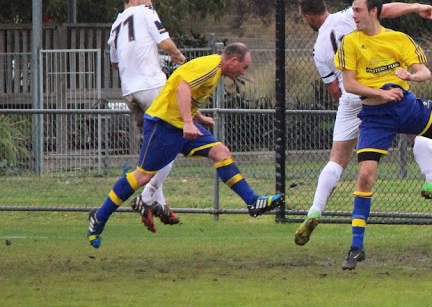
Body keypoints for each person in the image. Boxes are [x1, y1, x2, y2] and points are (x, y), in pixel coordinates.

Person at [292, 0, 432, 247]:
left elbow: (334, 88)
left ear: (308, 17)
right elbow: (386, 10)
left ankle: (315, 210)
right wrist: (417, 6)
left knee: (337, 160)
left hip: (351, 97)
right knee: (419, 132)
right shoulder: (348, 16)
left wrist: (351, 103)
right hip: (385, 91)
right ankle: (431, 180)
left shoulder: (319, 49)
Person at [336, 0, 432, 270]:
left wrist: (410, 76)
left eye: (357, 10)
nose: (353, 15)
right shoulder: (350, 42)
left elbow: (424, 72)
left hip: (407, 107)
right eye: (352, 10)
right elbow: (350, 85)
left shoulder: (399, 40)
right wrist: (379, 91)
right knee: (365, 176)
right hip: (376, 115)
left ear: (374, 12)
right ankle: (356, 247)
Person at [87, 43, 284, 248]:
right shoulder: (210, 66)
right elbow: (183, 87)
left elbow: (183, 88)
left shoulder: (214, 71)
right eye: (245, 67)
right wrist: (189, 122)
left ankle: (252, 201)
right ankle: (99, 217)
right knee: (142, 176)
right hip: (164, 125)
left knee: (220, 152)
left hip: (182, 125)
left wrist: (197, 116)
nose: (245, 71)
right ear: (233, 61)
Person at [107, 0, 187, 231]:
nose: (150, 2)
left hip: (130, 92)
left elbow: (114, 62)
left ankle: (159, 204)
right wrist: (179, 57)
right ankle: (148, 196)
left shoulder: (116, 24)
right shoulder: (145, 12)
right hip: (152, 86)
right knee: (174, 140)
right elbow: (164, 42)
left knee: (154, 149)